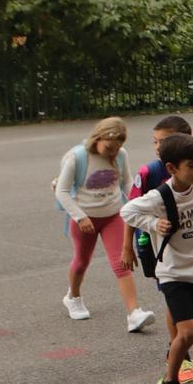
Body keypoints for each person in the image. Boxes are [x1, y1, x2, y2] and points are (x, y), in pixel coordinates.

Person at [120, 134, 193, 384]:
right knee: (188, 331)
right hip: (173, 272)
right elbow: (127, 211)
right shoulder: (159, 197)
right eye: (192, 165)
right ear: (171, 168)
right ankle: (169, 381)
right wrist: (153, 223)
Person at [56, 117, 156, 332]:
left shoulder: (121, 155)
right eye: (109, 147)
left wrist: (137, 203)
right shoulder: (78, 157)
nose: (113, 152)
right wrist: (80, 217)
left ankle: (133, 313)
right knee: (82, 261)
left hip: (113, 215)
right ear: (98, 138)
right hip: (85, 218)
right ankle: (73, 296)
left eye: (118, 147)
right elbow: (61, 190)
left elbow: (127, 182)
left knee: (121, 263)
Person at [121, 113, 193, 358]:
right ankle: (177, 350)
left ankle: (179, 346)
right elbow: (130, 210)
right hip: (156, 247)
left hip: (187, 246)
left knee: (186, 298)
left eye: (162, 141)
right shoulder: (149, 172)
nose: (157, 147)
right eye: (155, 141)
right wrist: (127, 247)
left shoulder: (191, 169)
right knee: (173, 297)